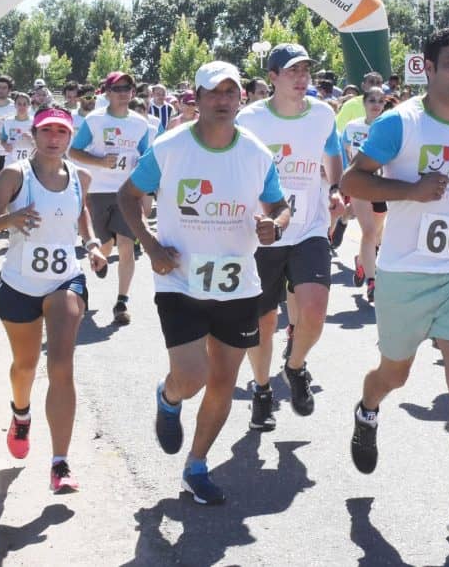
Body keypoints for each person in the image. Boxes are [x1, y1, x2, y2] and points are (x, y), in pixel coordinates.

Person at [342, 26, 449, 533]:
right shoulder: (399, 124)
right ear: (427, 68)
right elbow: (351, 181)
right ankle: (368, 409)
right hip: (405, 273)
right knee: (395, 375)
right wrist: (410, 190)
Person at [118, 60, 290, 505]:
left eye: (231, 93)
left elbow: (279, 206)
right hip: (179, 280)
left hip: (237, 285)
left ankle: (197, 465)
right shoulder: (171, 146)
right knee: (192, 376)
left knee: (222, 379)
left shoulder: (256, 152)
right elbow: (127, 195)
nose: (223, 101)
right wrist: (151, 247)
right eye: (214, 92)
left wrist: (274, 224)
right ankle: (169, 395)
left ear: (241, 99)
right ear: (196, 97)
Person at [0, 107, 106, 492]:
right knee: (25, 366)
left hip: (64, 279)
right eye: (46, 130)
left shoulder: (81, 176)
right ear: (34, 134)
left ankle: (60, 464)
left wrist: (93, 244)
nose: (54, 138)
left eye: (61, 132)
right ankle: (21, 414)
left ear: (69, 137)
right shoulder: (17, 176)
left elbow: (80, 214)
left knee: (61, 364)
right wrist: (8, 221)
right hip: (18, 284)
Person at [234, 44, 344, 430]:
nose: (301, 78)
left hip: (308, 228)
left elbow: (333, 155)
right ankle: (262, 390)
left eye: (306, 70)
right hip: (261, 234)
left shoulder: (322, 114)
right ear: (273, 78)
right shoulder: (249, 120)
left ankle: (294, 367)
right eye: (292, 71)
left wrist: (334, 191)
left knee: (314, 310)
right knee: (264, 322)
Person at [68, 71, 151, 326]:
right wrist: (100, 162)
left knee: (126, 245)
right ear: (108, 92)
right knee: (103, 245)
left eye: (128, 87)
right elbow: (73, 151)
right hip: (97, 191)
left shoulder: (140, 123)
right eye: (118, 88)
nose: (124, 92)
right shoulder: (94, 120)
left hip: (127, 192)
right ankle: (100, 259)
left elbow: (146, 157)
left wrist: (145, 191)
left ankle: (122, 302)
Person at [342, 87, 388, 303]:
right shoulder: (352, 128)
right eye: (372, 100)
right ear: (364, 103)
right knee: (369, 232)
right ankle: (372, 281)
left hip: (384, 185)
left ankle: (361, 261)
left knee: (377, 235)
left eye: (381, 100)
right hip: (360, 185)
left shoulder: (391, 126)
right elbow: (344, 155)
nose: (376, 104)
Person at [1, 92, 35, 167]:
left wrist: (32, 139)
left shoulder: (35, 122)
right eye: (19, 104)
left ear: (29, 105)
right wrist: (5, 145)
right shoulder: (7, 121)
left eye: (24, 104)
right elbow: (3, 139)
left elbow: (41, 142)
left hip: (30, 163)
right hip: (11, 162)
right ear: (15, 105)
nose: (22, 107)